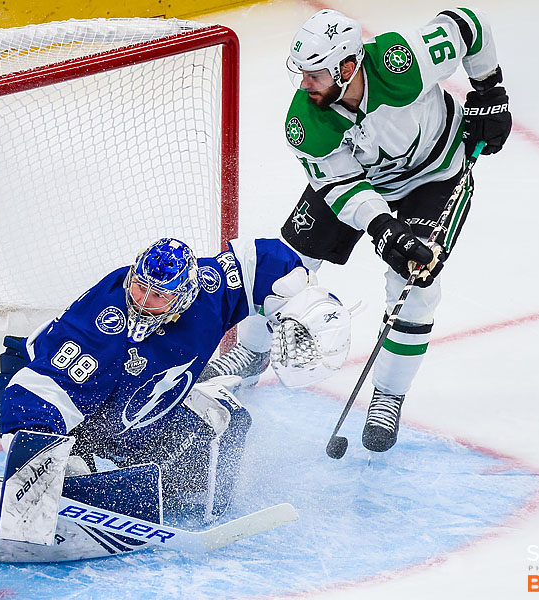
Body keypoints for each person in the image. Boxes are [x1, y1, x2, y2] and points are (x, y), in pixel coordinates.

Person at [0, 237, 351, 573]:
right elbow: (42, 390)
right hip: (63, 403)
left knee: (222, 440)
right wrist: (43, 459)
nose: (141, 297)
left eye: (156, 294)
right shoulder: (106, 323)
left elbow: (259, 262)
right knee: (51, 478)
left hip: (135, 410)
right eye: (138, 284)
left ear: (185, 293)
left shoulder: (207, 287)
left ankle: (123, 484)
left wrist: (301, 299)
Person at [200, 8, 512, 453]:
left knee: (416, 283)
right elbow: (341, 186)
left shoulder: (402, 61)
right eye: (302, 74)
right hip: (361, 181)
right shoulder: (306, 122)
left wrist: (490, 89)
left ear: (348, 68)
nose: (304, 85)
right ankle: (252, 350)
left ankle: (387, 395)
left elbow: (467, 25)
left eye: (315, 75)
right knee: (285, 265)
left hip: (435, 177)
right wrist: (383, 226)